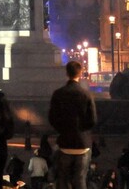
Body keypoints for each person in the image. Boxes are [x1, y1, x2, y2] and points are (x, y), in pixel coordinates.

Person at [48, 61, 97, 189]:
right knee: (80, 179)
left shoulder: (58, 94)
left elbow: (52, 118)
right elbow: (92, 120)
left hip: (65, 143)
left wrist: (63, 129)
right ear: (80, 74)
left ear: (66, 73)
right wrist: (81, 130)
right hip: (82, 144)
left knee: (63, 180)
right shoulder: (86, 95)